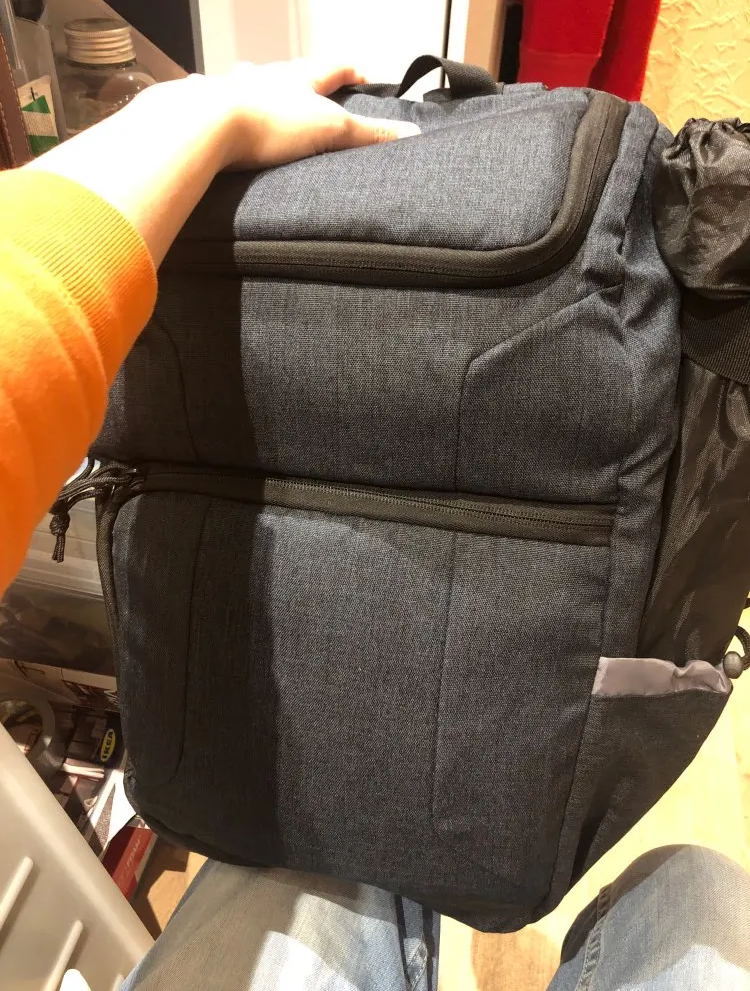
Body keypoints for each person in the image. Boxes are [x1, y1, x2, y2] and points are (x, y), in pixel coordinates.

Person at [0, 60, 748, 991]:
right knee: (700, 892)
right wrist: (196, 118)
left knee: (311, 881)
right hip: (499, 810)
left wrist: (190, 119)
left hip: (214, 781)